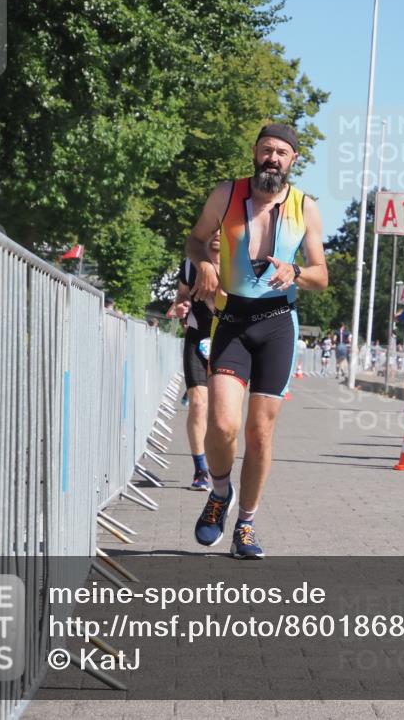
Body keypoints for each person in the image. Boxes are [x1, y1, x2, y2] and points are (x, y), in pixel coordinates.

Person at [184, 123, 328, 559]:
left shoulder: (307, 207)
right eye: (266, 150)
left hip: (278, 324)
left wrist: (297, 272)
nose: (273, 158)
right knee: (223, 425)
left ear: (292, 161)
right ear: (254, 152)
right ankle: (219, 493)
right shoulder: (226, 194)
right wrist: (205, 265)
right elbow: (194, 239)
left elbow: (321, 274)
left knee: (259, 433)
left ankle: (245, 525)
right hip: (231, 322)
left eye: (281, 152)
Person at [167, 233, 222, 491]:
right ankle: (201, 470)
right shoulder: (190, 265)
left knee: (222, 415)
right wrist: (180, 305)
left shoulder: (241, 265)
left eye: (224, 228)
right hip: (197, 337)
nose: (218, 234)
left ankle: (220, 468)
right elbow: (182, 296)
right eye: (213, 229)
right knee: (198, 404)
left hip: (229, 342)